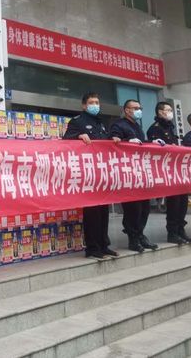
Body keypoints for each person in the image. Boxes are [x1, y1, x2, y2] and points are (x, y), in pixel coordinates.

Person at [63, 92, 118, 259]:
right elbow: (65, 141)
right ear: (84, 105)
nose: (95, 105)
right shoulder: (77, 121)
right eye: (92, 102)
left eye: (97, 102)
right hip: (88, 172)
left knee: (103, 211)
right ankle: (93, 248)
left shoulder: (101, 123)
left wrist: (114, 139)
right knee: (92, 212)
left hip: (102, 171)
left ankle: (104, 245)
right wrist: (78, 136)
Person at [109, 99, 158, 253]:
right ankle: (133, 238)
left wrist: (152, 142)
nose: (139, 110)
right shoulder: (118, 125)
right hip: (127, 172)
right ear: (127, 110)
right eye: (135, 108)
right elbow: (113, 142)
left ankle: (140, 234)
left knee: (144, 207)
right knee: (133, 208)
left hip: (140, 171)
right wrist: (127, 141)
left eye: (140, 108)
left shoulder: (137, 126)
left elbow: (141, 144)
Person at [148, 102, 191, 245]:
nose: (170, 112)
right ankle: (172, 233)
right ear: (160, 112)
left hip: (178, 170)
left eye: (170, 110)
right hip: (167, 171)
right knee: (174, 204)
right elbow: (155, 150)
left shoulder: (170, 127)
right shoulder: (155, 129)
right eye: (167, 110)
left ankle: (181, 230)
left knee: (183, 202)